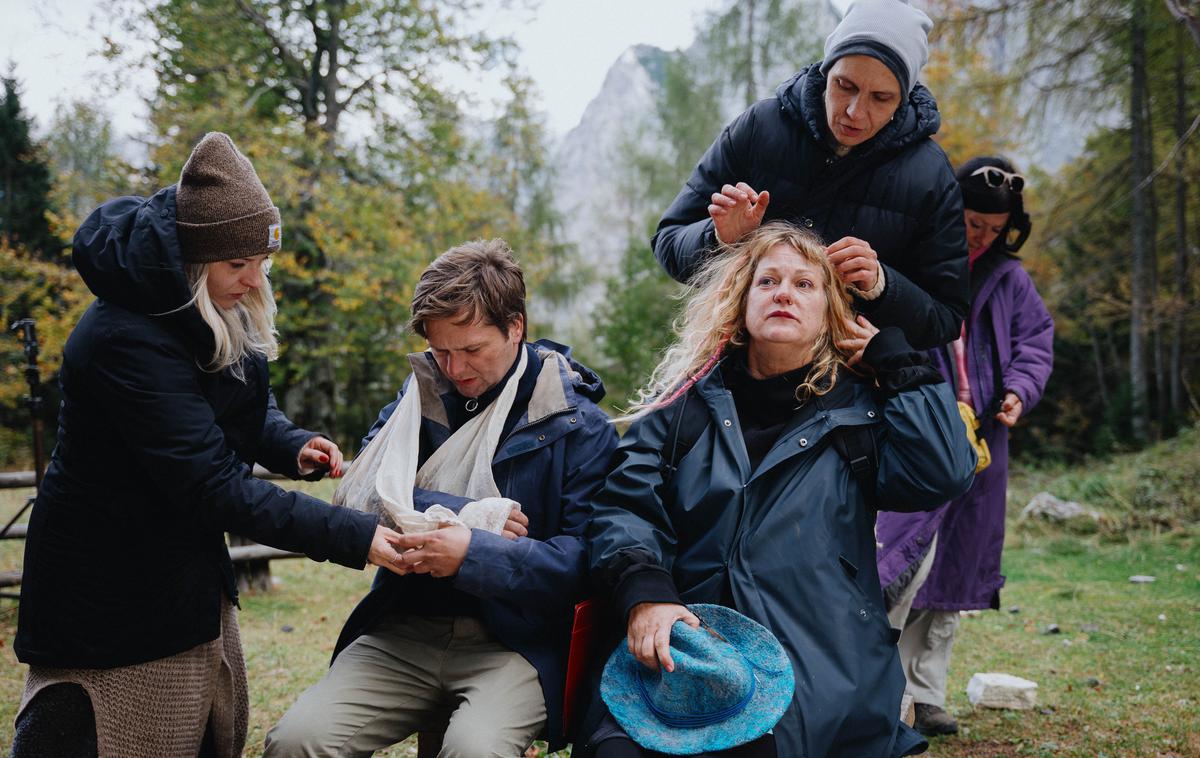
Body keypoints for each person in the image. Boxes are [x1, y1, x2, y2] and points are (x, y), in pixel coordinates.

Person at [12, 132, 408, 758]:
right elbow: (211, 482)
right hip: (110, 594)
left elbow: (236, 397)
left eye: (261, 263)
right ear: (194, 258)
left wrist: (290, 444)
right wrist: (350, 536)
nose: (253, 281)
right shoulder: (125, 339)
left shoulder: (202, 306)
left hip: (179, 574)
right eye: (236, 265)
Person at [580, 222, 978, 757]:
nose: (784, 293)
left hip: (818, 660)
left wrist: (901, 365)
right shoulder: (687, 407)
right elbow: (625, 505)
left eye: (805, 284)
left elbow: (945, 472)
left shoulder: (859, 413)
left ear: (830, 310)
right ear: (741, 302)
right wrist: (645, 592)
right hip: (691, 649)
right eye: (767, 282)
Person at [265, 239, 620, 757]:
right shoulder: (417, 399)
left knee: (476, 750)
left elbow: (587, 561)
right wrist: (469, 518)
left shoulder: (580, 426)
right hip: (406, 627)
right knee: (296, 741)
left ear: (515, 326)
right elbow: (366, 488)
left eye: (471, 349)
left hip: (518, 641)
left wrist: (473, 555)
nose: (453, 369)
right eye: (440, 350)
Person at [652, 0, 967, 351]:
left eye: (880, 98)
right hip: (736, 368)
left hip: (852, 387)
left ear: (903, 99)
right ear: (826, 71)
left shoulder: (931, 175)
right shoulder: (760, 128)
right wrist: (721, 239)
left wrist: (881, 284)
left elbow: (946, 319)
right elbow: (668, 242)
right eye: (845, 85)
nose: (854, 112)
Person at [875, 156, 1054, 737]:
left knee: (953, 569)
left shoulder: (1010, 278)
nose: (980, 236)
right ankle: (883, 693)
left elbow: (1035, 342)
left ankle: (927, 694)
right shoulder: (917, 263)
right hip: (923, 430)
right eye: (973, 222)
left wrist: (1018, 393)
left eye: (992, 228)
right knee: (903, 560)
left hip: (984, 437)